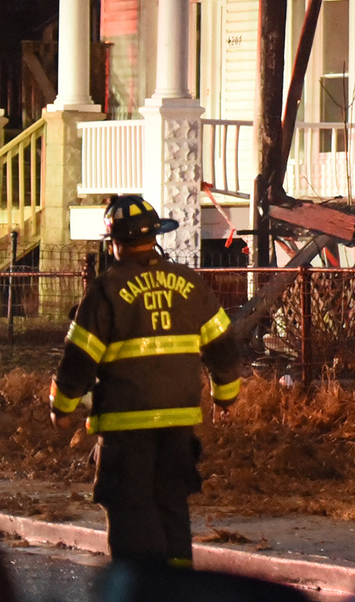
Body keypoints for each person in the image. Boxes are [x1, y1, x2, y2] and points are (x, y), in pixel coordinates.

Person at [50, 195, 242, 567]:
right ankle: (176, 590)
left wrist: (62, 408)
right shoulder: (189, 283)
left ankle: (141, 589)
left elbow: (79, 359)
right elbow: (224, 348)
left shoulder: (105, 290)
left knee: (130, 514)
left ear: (115, 243)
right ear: (154, 237)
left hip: (125, 429)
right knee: (171, 509)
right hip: (178, 426)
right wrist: (225, 399)